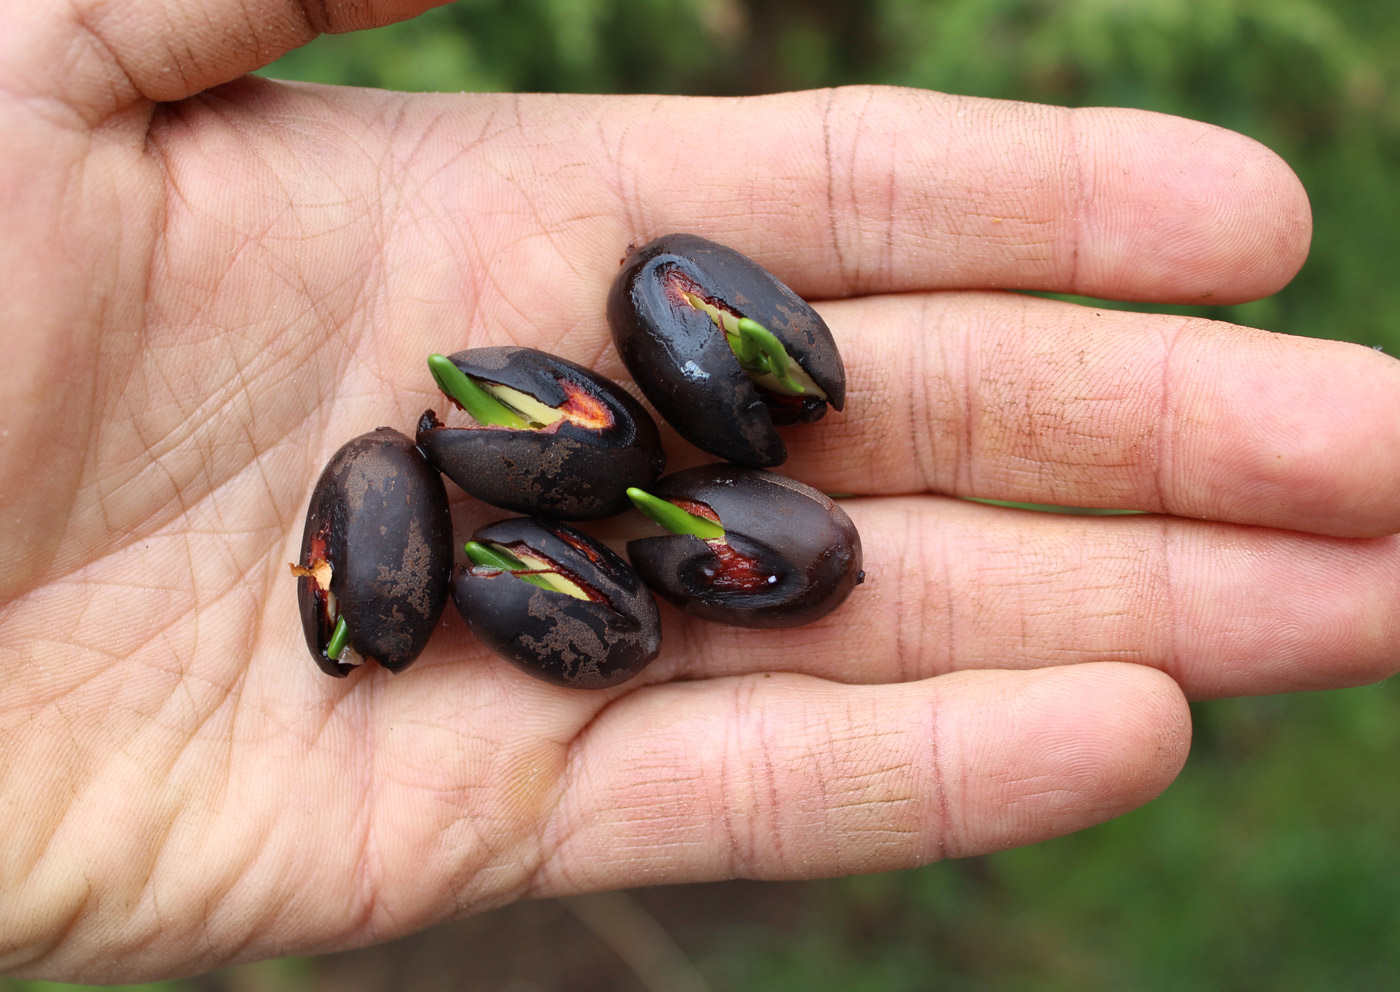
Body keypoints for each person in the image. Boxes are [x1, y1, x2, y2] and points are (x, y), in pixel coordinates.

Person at [2, 0, 1397, 983]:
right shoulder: (483, 506)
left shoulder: (563, 494)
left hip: (626, 501)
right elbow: (507, 546)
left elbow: (559, 534)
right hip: (600, 504)